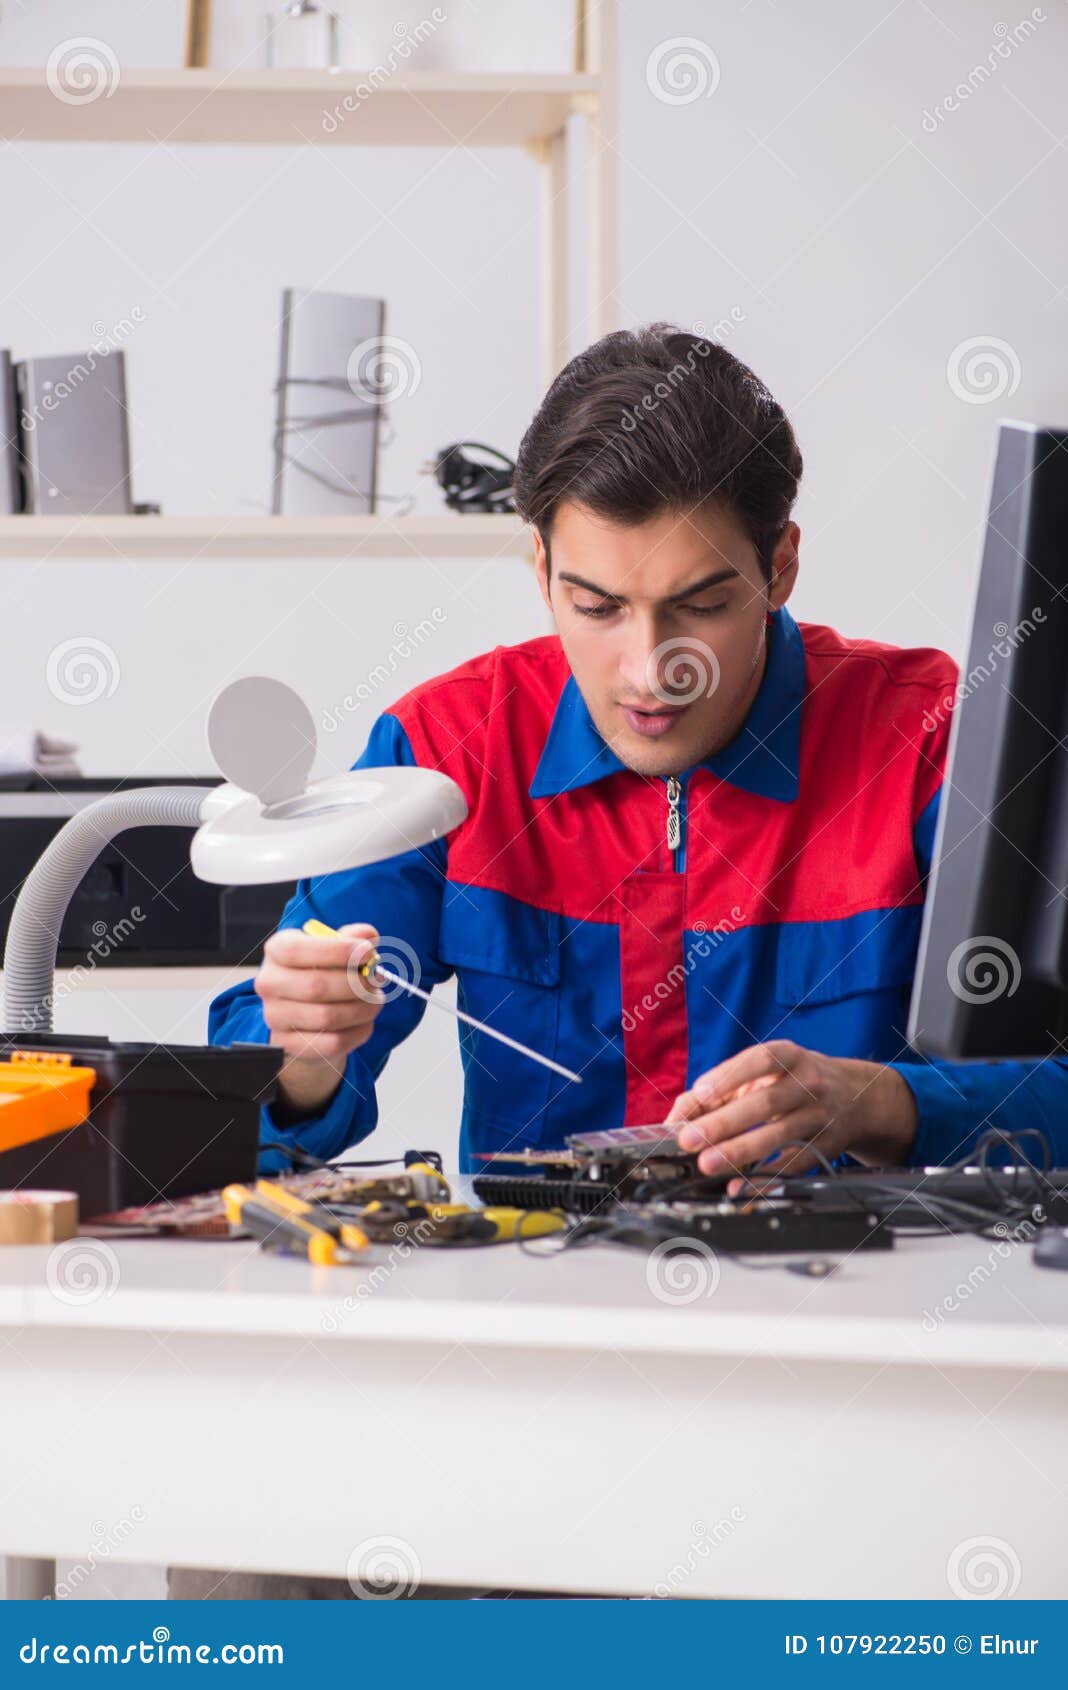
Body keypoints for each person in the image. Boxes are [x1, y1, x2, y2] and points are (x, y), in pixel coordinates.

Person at [210, 322, 1068, 1185]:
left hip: (858, 1308)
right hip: (541, 1303)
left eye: (701, 606)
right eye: (597, 607)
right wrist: (305, 1063)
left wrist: (884, 1104)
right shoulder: (446, 751)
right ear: (542, 570)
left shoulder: (931, 743)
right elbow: (240, 1125)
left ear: (780, 567)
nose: (652, 673)